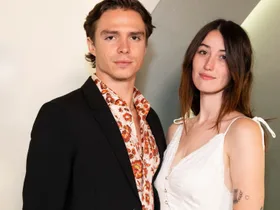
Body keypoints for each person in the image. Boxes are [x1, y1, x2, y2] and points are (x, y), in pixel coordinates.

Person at [22, 1, 166, 210]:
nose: (124, 48)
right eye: (111, 37)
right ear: (92, 45)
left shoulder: (150, 117)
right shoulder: (59, 116)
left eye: (135, 37)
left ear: (145, 46)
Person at [154, 19, 276, 210]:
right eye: (203, 52)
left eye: (223, 57)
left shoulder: (243, 130)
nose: (208, 65)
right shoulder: (176, 130)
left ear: (237, 67)